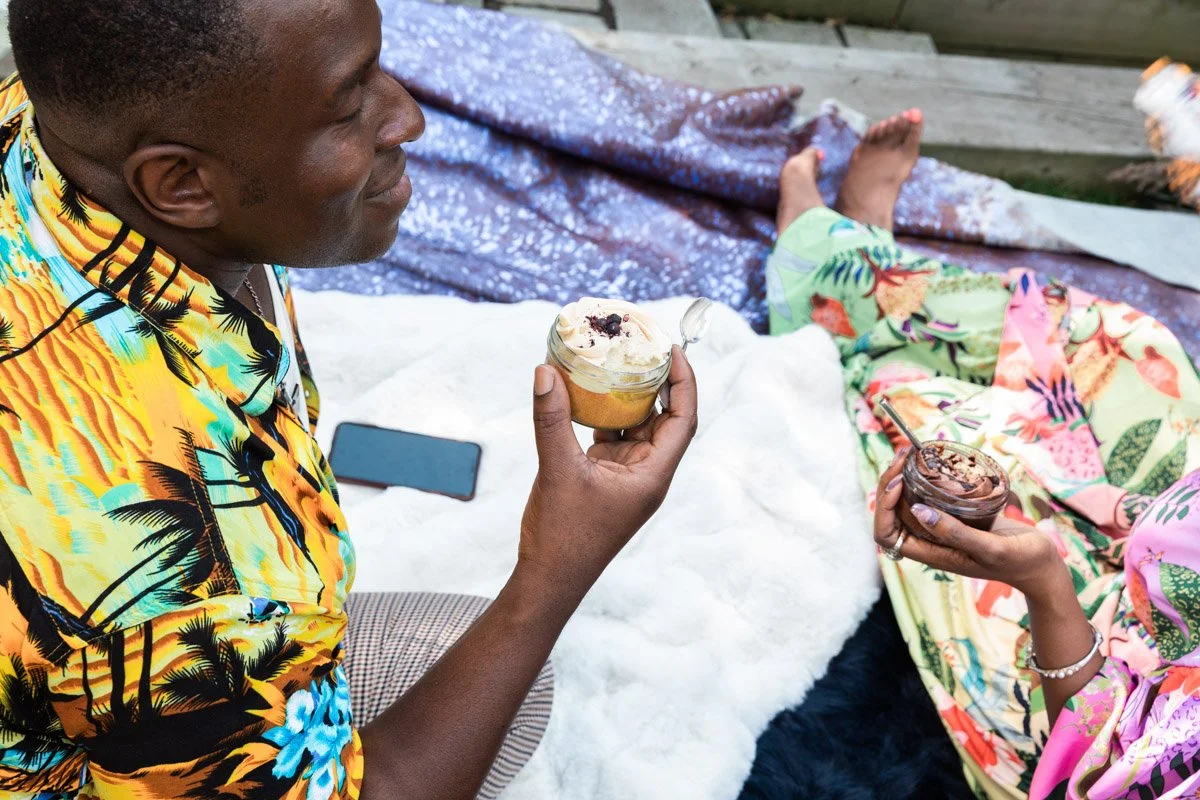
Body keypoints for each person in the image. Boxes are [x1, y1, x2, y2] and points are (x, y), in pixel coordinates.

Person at [0, 1, 698, 798]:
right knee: (517, 690)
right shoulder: (190, 581)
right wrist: (555, 572)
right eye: (348, 103)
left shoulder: (51, 118)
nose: (409, 119)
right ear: (182, 184)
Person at [770, 107, 1200, 798]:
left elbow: (1094, 771)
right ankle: (859, 267)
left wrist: (1045, 586)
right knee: (1119, 341)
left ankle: (831, 274)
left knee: (936, 428)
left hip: (1088, 687)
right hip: (1159, 528)